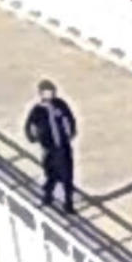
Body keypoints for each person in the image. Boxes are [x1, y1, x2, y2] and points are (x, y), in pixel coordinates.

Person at [24, 79, 77, 213]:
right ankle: (47, 196)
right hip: (49, 148)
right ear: (41, 94)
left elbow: (70, 117)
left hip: (63, 147)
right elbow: (28, 125)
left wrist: (71, 131)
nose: (50, 95)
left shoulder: (60, 104)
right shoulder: (37, 110)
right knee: (51, 175)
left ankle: (68, 204)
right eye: (47, 93)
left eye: (52, 92)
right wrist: (32, 138)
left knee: (67, 176)